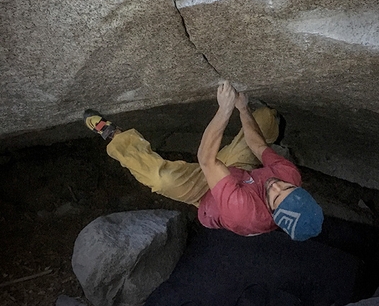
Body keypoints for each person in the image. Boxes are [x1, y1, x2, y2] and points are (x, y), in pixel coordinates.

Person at [84, 81, 323, 241]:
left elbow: (206, 160)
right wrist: (242, 108)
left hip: (206, 193)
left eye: (276, 196)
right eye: (288, 187)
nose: (276, 184)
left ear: (272, 212)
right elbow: (259, 146)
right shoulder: (288, 176)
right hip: (240, 173)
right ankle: (257, 121)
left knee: (161, 178)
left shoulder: (244, 212)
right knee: (266, 120)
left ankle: (116, 137)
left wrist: (225, 109)